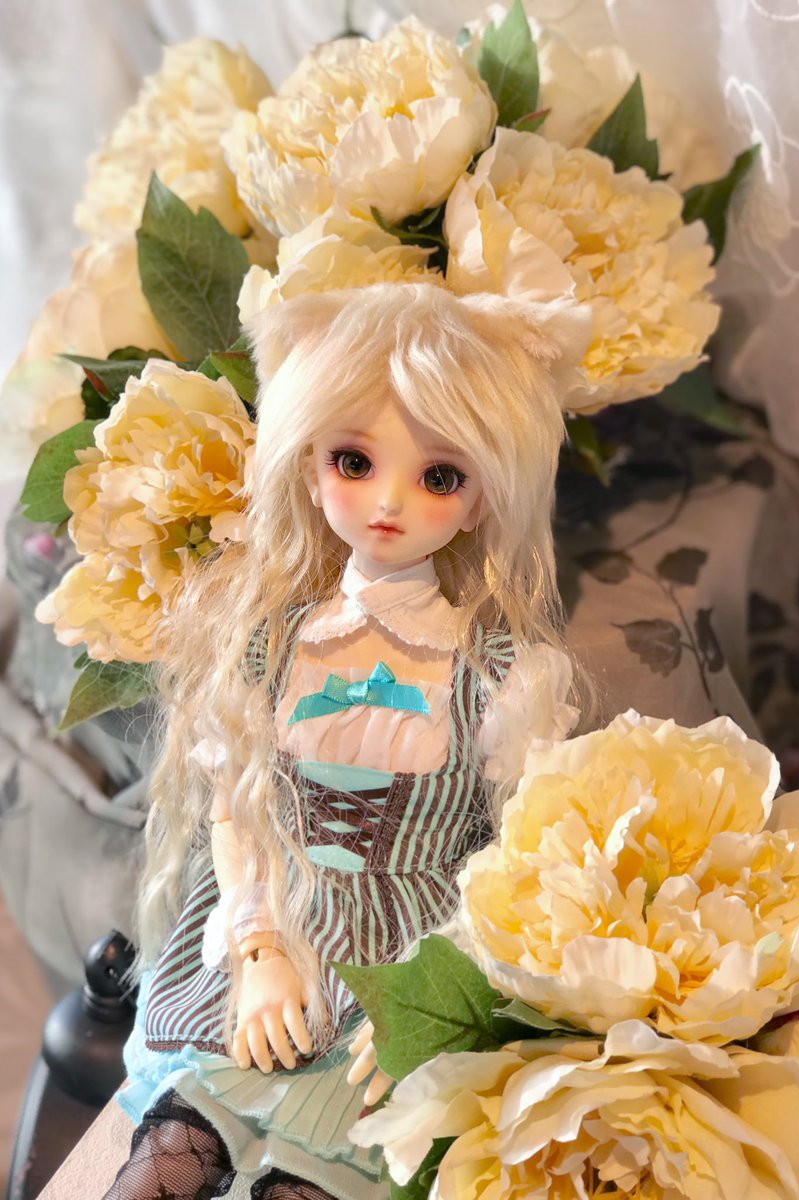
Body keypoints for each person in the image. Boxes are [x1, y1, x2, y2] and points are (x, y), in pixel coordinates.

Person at [103, 283, 589, 1200]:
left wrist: (435, 1005)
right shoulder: (266, 647)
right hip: (272, 933)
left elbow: (518, 855)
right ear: (306, 464)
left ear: (482, 499)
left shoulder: (504, 679)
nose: (389, 502)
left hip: (411, 958)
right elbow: (237, 814)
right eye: (354, 461)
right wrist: (259, 950)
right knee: (168, 1155)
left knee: (313, 1182)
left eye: (440, 477)